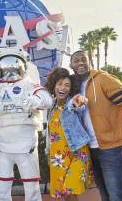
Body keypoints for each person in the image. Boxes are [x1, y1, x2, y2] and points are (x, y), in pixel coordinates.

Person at [0, 47, 53, 201]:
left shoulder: (30, 85)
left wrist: (36, 101)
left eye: (14, 65)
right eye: (6, 66)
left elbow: (47, 99)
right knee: (2, 186)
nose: (10, 71)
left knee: (32, 186)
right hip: (3, 145)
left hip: (27, 145)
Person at [69, 50, 122, 201]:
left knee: (117, 195)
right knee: (105, 194)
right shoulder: (75, 86)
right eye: (76, 60)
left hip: (112, 147)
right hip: (91, 148)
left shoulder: (103, 78)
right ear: (71, 65)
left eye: (83, 59)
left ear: (90, 61)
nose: (80, 63)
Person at [45, 67, 94, 200]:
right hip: (58, 156)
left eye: (67, 85)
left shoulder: (71, 103)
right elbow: (49, 133)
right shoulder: (51, 107)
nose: (63, 88)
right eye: (60, 84)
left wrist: (80, 100)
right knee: (64, 193)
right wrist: (47, 151)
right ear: (54, 85)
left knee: (69, 189)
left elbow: (78, 103)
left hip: (77, 152)